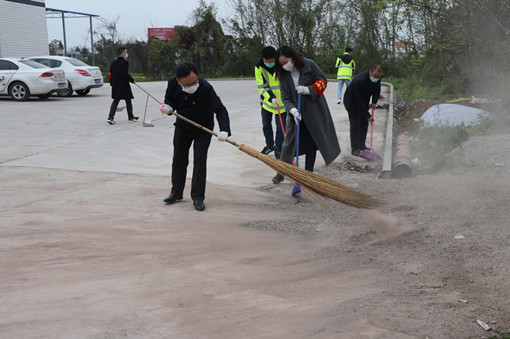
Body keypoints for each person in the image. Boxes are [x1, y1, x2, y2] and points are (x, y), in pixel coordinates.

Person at [160, 62, 231, 211]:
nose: (193, 85)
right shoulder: (172, 83)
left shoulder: (205, 88)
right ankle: (176, 192)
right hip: (183, 127)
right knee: (178, 159)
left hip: (202, 129)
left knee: (199, 161)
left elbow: (220, 110)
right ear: (179, 81)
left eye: (194, 81)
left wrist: (224, 129)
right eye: (188, 84)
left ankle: (198, 197)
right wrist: (168, 107)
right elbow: (169, 99)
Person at [272, 46, 341, 184]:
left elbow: (322, 80)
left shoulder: (309, 64)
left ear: (292, 57)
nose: (285, 66)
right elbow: (285, 97)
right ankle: (282, 172)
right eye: (282, 64)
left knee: (311, 142)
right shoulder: (284, 75)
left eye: (286, 62)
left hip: (313, 111)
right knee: (289, 144)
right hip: (296, 114)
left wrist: (307, 90)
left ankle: (308, 173)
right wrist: (293, 111)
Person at [343, 64, 383, 156]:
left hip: (363, 100)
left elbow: (377, 90)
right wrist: (367, 115)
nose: (377, 78)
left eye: (378, 77)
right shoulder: (360, 81)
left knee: (364, 123)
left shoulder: (377, 78)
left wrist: (374, 102)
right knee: (356, 124)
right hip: (352, 102)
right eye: (375, 76)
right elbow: (358, 100)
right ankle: (355, 148)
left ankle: (362, 145)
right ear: (370, 72)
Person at [254, 46, 287, 158]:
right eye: (268, 62)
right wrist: (271, 97)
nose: (270, 63)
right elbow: (261, 86)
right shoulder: (259, 67)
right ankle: (269, 145)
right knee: (266, 125)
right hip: (268, 103)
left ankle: (279, 149)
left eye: (272, 61)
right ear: (263, 59)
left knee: (280, 127)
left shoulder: (281, 65)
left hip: (282, 103)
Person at [107, 46, 138, 124]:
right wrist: (132, 80)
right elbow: (125, 74)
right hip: (124, 85)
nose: (126, 54)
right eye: (126, 52)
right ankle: (130, 116)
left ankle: (110, 117)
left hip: (116, 85)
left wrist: (112, 83)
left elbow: (110, 74)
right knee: (128, 101)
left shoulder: (113, 63)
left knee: (116, 101)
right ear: (123, 53)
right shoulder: (125, 63)